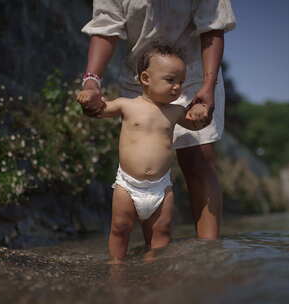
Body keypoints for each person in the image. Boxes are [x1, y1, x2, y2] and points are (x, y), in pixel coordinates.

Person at [77, 0, 236, 239]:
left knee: (199, 157)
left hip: (191, 73)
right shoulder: (128, 103)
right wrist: (92, 84)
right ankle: (144, 256)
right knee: (141, 152)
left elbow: (213, 26)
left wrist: (208, 86)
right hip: (142, 74)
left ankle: (208, 252)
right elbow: (105, 27)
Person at [77, 43, 207, 263]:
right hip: (128, 184)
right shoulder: (126, 105)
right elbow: (98, 110)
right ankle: (116, 266)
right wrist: (90, 99)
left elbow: (196, 124)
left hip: (161, 186)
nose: (177, 87)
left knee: (161, 231)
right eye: (170, 80)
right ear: (146, 78)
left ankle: (153, 270)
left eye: (181, 82)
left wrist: (200, 112)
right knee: (120, 228)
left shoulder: (176, 111)